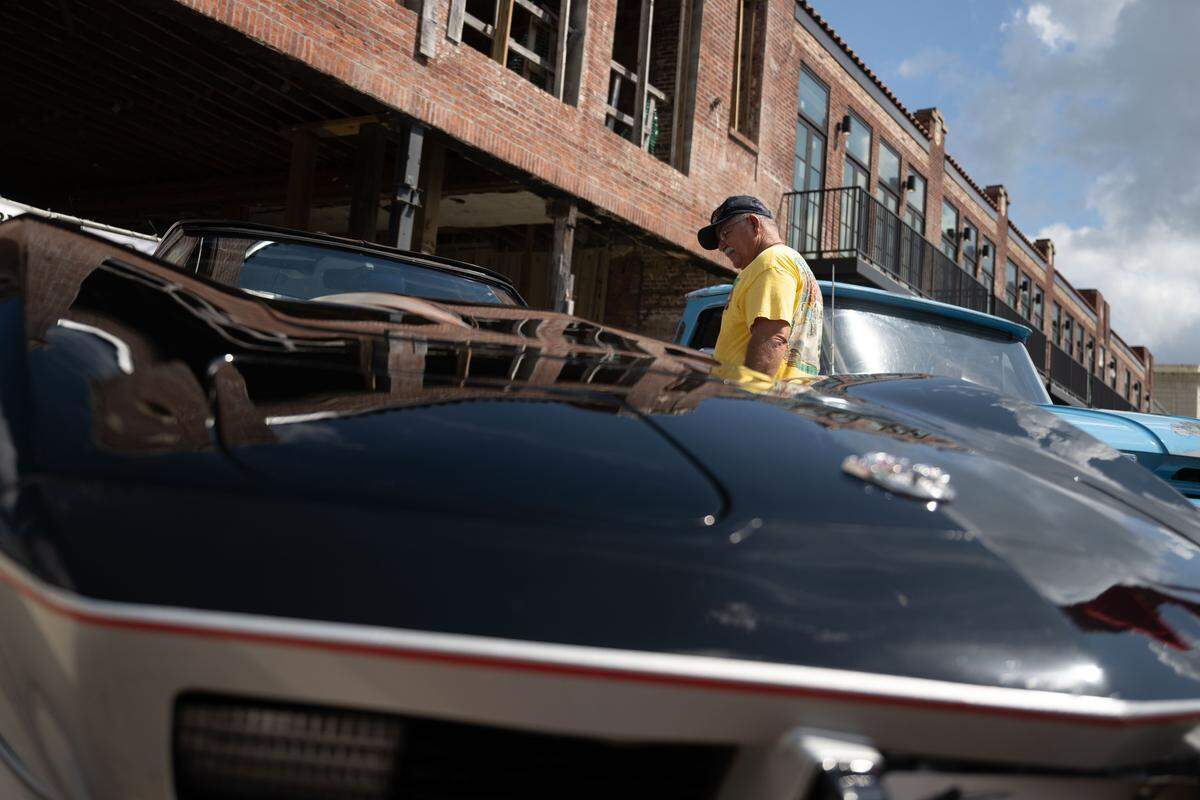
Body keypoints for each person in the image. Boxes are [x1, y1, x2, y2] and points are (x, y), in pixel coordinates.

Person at [696, 195, 823, 381]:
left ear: (754, 224)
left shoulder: (771, 263)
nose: (721, 247)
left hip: (757, 397)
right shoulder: (790, 262)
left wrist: (750, 394)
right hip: (787, 395)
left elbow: (773, 338)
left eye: (725, 234)